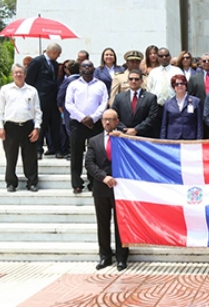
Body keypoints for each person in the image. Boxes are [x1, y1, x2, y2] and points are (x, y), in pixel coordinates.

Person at [84, 108, 129, 271]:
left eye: (111, 119)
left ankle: (121, 257)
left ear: (117, 121)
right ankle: (105, 256)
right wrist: (103, 177)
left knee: (120, 224)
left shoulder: (124, 139)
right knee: (102, 224)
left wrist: (123, 137)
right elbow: (89, 163)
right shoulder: (94, 141)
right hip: (101, 188)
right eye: (105, 119)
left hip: (120, 189)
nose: (107, 122)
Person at [0, 64, 42, 192]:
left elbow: (38, 111)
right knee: (11, 157)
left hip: (28, 126)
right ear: (12, 74)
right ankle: (11, 183)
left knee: (30, 157)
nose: (18, 75)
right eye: (16, 73)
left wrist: (37, 127)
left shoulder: (32, 90)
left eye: (21, 72)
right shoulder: (5, 90)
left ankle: (32, 182)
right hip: (10, 127)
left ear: (25, 74)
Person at [65, 60, 108, 194]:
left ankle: (93, 182)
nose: (87, 68)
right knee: (76, 154)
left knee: (94, 155)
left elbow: (104, 103)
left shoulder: (100, 85)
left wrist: (93, 118)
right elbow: (69, 104)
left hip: (95, 124)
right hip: (77, 123)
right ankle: (77, 183)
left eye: (89, 66)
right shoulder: (73, 85)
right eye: (84, 66)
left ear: (93, 69)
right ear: (80, 69)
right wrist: (82, 118)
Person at [25, 42, 62, 159]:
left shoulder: (55, 64)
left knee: (56, 125)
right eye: (58, 54)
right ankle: (37, 149)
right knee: (41, 124)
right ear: (54, 52)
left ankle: (57, 149)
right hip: (40, 99)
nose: (58, 57)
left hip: (53, 100)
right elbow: (29, 80)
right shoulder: (37, 62)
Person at [111, 69, 159, 138]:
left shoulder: (151, 98)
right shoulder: (119, 97)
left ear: (142, 81)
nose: (133, 81)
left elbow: (152, 117)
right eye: (131, 79)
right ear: (127, 81)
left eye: (136, 79)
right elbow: (114, 116)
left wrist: (136, 130)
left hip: (144, 136)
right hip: (123, 135)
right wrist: (125, 129)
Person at [160, 75, 203, 140]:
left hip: (190, 137)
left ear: (186, 85)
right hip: (172, 138)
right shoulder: (167, 103)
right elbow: (164, 124)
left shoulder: (196, 101)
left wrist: (199, 139)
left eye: (182, 83)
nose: (179, 86)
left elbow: (199, 124)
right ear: (173, 87)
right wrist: (162, 140)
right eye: (176, 84)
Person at [57, 60, 81, 160]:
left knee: (70, 131)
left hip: (68, 110)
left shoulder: (68, 81)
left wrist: (59, 106)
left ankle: (73, 153)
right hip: (80, 109)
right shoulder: (82, 80)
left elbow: (60, 95)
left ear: (67, 70)